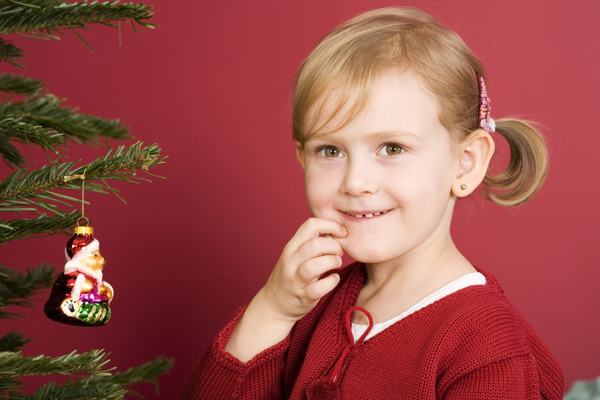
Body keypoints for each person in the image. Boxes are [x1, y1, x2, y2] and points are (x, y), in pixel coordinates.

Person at [181, 7, 564, 399]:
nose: (356, 182)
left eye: (392, 147)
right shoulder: (311, 304)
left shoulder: (488, 350)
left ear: (464, 163)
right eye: (330, 150)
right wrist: (273, 310)